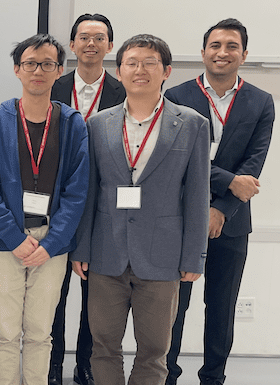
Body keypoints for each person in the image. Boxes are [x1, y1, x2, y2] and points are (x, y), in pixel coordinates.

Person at [71, 34, 209, 384]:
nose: (140, 70)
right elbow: (89, 192)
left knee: (154, 350)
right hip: (106, 252)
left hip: (163, 256)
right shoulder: (97, 124)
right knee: (103, 346)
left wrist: (194, 257)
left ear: (167, 71)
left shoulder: (192, 124)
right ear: (119, 72)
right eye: (131, 63)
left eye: (150, 63)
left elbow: (197, 196)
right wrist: (81, 248)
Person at [0, 34, 89, 385]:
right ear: (17, 70)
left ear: (60, 70)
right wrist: (14, 238)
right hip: (3, 241)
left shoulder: (73, 124)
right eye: (30, 64)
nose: (38, 71)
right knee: (6, 333)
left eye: (47, 64)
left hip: (52, 243)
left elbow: (76, 192)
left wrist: (51, 244)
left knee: (40, 333)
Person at [164, 19, 274, 385]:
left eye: (231, 46)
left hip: (233, 221)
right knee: (174, 307)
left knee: (221, 309)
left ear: (244, 54)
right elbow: (176, 159)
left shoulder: (261, 101)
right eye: (215, 45)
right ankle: (167, 375)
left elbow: (253, 165)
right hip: (181, 219)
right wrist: (226, 184)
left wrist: (221, 209)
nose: (222, 52)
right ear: (203, 52)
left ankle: (213, 378)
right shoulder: (177, 96)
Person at [48, 13, 125, 385]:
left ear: (109, 45)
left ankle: (87, 366)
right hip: (57, 204)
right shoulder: (53, 87)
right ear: (72, 44)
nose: (91, 44)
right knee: (53, 292)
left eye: (99, 37)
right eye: (83, 37)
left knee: (97, 295)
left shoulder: (123, 92)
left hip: (104, 206)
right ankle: (51, 366)